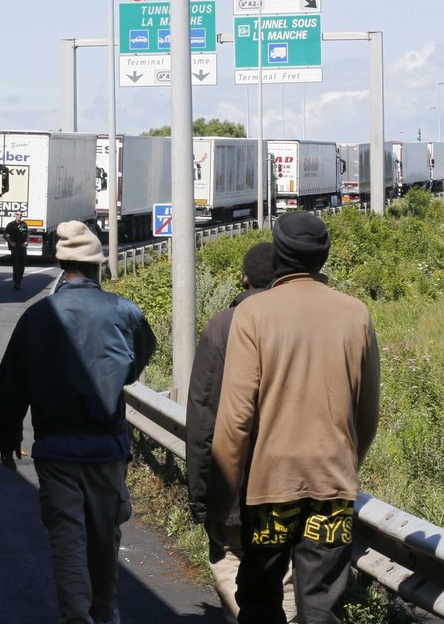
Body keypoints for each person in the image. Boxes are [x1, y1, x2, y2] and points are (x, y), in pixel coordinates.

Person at [209, 212, 380, 624]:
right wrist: (344, 467)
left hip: (269, 489)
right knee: (321, 603)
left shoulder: (253, 314)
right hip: (332, 486)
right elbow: (367, 414)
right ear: (323, 257)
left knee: (261, 600)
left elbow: (235, 421)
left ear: (280, 254)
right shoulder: (355, 314)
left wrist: (222, 501)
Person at [0, 220, 156, 624]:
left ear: (59, 262)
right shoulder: (123, 311)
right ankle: (104, 613)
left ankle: (77, 617)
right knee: (104, 537)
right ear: (99, 265)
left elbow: (11, 384)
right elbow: (137, 364)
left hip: (55, 448)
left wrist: (7, 438)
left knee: (67, 539)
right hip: (107, 448)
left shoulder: (37, 316)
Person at [186, 242, 296, 624]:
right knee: (282, 574)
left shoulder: (222, 325)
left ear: (244, 278)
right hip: (290, 482)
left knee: (229, 559)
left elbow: (203, 414)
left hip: (234, 487)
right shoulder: (299, 320)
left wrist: (203, 497)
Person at [4, 211, 29, 289]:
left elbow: (27, 234)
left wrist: (26, 242)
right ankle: (17, 282)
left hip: (22, 247)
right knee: (16, 265)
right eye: (18, 215)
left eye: (21, 215)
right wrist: (10, 242)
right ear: (15, 215)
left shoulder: (24, 224)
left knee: (22, 266)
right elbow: (5, 235)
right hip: (15, 247)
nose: (19, 216)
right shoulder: (11, 225)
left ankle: (19, 281)